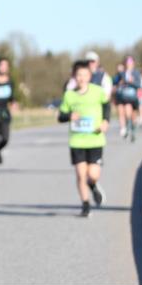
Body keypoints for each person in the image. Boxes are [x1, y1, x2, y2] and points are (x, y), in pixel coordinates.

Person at [57, 60, 110, 217]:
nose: (81, 78)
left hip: (95, 139)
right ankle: (85, 205)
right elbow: (60, 116)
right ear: (74, 76)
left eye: (84, 75)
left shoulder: (97, 91)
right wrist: (69, 116)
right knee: (80, 174)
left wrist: (105, 121)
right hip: (77, 140)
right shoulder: (69, 95)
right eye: (78, 75)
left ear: (89, 76)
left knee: (93, 174)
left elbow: (106, 106)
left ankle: (92, 185)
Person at [112, 56, 142, 141]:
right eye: (127, 63)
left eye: (130, 63)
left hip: (133, 97)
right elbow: (114, 82)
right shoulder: (122, 73)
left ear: (133, 64)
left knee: (133, 116)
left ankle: (133, 129)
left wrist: (132, 82)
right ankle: (126, 127)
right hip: (123, 96)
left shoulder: (136, 73)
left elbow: (139, 85)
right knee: (125, 111)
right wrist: (119, 83)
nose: (129, 65)